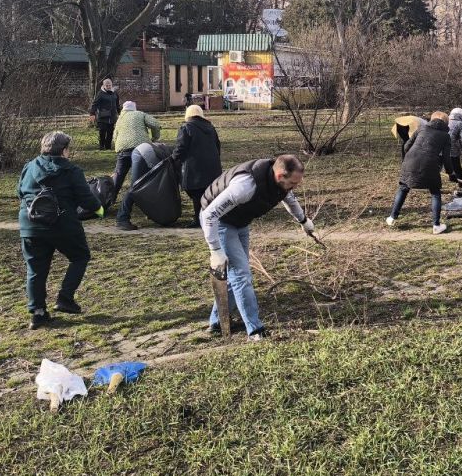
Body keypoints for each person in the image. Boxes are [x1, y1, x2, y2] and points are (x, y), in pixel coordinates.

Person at [201, 155, 317, 338]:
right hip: (221, 223)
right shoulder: (245, 186)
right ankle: (255, 331)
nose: (296, 186)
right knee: (241, 275)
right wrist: (214, 249)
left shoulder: (281, 184)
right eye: (294, 183)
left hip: (241, 221)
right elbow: (208, 215)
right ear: (280, 176)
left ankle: (216, 323)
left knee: (236, 275)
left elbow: (290, 200)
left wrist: (304, 221)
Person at [17, 131, 103, 329]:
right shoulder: (72, 170)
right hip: (63, 224)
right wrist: (100, 209)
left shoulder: (29, 167)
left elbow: (19, 192)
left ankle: (38, 313)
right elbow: (87, 200)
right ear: (64, 150)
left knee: (35, 270)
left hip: (31, 225)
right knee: (80, 256)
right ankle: (65, 298)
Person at [386, 111, 452, 234]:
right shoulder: (445, 136)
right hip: (430, 165)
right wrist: (451, 173)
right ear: (446, 123)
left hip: (409, 162)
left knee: (403, 188)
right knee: (435, 192)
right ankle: (436, 225)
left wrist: (411, 157)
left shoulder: (421, 129)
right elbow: (447, 158)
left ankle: (392, 218)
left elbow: (406, 147)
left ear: (432, 120)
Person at [174, 104, 222, 227]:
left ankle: (198, 220)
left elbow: (181, 147)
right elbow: (218, 145)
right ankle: (208, 217)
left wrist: (173, 158)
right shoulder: (210, 127)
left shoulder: (186, 127)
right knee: (207, 192)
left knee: (196, 193)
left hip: (194, 166)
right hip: (212, 166)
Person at [115, 140, 174, 231]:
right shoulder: (184, 159)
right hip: (145, 153)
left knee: (145, 185)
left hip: (143, 149)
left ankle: (150, 213)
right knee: (136, 186)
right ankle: (122, 219)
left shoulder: (180, 151)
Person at [112, 101, 161, 196]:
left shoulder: (120, 118)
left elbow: (115, 136)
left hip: (123, 150)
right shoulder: (140, 114)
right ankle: (143, 198)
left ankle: (110, 199)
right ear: (134, 108)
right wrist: (155, 137)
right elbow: (155, 124)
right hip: (140, 149)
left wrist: (119, 146)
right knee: (142, 175)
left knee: (118, 175)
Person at [446, 107, 462, 197]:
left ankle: (452, 179)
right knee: (456, 166)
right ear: (461, 115)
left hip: (439, 146)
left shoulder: (445, 120)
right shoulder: (460, 123)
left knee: (442, 165)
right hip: (451, 147)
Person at [89, 78, 120, 151]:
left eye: (110, 85)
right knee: (102, 132)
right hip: (102, 116)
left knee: (110, 132)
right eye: (107, 85)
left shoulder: (115, 93)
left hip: (112, 116)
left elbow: (117, 104)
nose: (108, 86)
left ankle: (108, 147)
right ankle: (101, 146)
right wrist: (92, 113)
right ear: (104, 85)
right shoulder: (100, 94)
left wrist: (120, 113)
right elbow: (95, 104)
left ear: (112, 85)